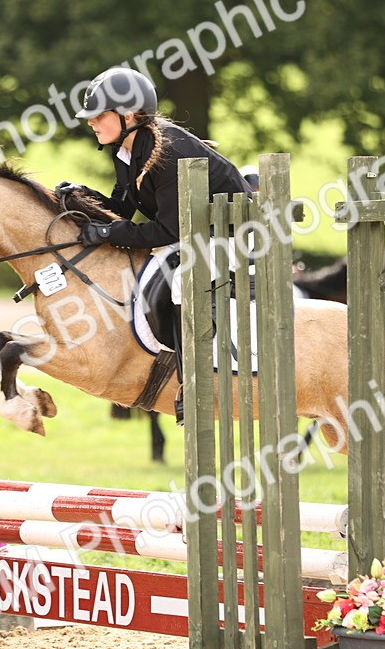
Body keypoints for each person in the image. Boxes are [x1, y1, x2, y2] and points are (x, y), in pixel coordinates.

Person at [56, 67, 251, 422]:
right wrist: (81, 198)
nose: (92, 124)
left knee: (179, 282)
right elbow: (120, 211)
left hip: (238, 234)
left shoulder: (168, 150)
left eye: (99, 115)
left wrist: (105, 234)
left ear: (129, 114)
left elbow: (165, 231)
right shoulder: (126, 151)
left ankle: (193, 382)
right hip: (197, 235)